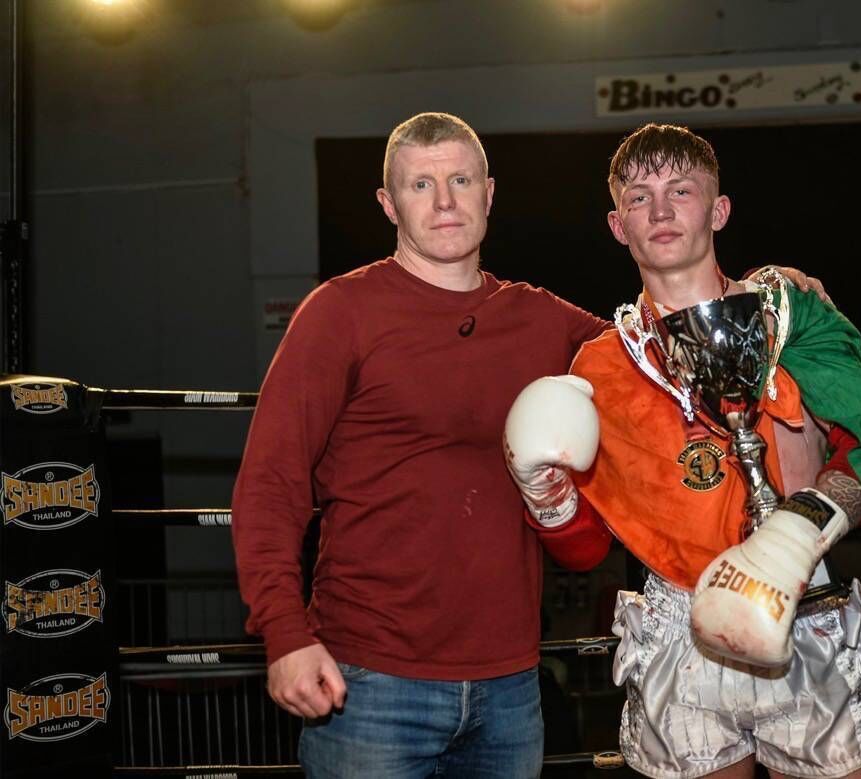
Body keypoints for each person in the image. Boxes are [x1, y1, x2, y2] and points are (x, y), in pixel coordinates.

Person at [231, 112, 828, 778]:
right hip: (370, 680)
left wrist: (761, 289)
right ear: (387, 203)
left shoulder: (538, 319)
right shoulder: (339, 313)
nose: (445, 200)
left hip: (510, 684)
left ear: (489, 193)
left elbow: (658, 348)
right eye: (420, 184)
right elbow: (270, 484)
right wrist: (284, 633)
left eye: (460, 179)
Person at [504, 123, 861, 779]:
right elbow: (583, 550)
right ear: (618, 225)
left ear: (718, 209)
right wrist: (544, 494)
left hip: (800, 604)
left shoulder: (789, 314)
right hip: (678, 620)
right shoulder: (601, 367)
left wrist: (793, 531)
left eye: (681, 189)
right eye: (640, 198)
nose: (662, 210)